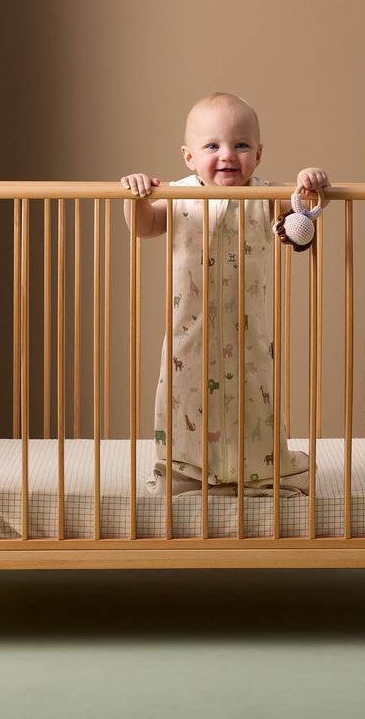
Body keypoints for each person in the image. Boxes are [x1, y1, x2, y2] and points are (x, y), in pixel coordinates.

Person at [121, 92, 329, 496]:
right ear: (188, 157)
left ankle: (256, 469)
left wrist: (308, 183)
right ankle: (187, 473)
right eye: (212, 145)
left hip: (247, 336)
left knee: (252, 401)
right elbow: (144, 227)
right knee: (185, 403)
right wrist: (137, 196)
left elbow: (299, 215)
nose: (227, 155)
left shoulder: (266, 197)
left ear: (259, 154)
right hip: (189, 337)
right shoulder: (178, 196)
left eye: (241, 145)